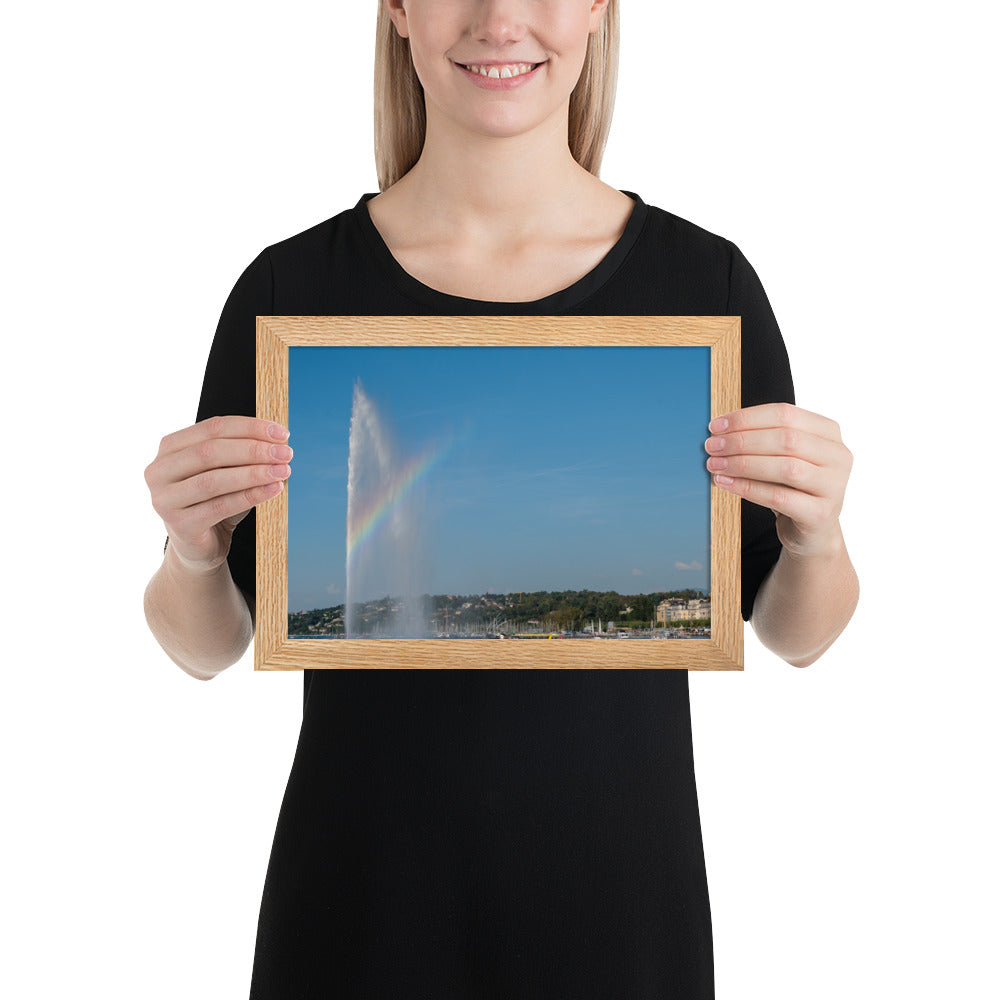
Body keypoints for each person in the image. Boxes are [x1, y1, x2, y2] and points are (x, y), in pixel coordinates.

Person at [144, 1, 859, 996]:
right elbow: (205, 644)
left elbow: (796, 631)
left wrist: (816, 536)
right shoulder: (288, 290)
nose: (499, 17)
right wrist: (189, 549)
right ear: (396, 8)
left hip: (622, 921)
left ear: (601, 8)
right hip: (357, 918)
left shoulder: (704, 285)